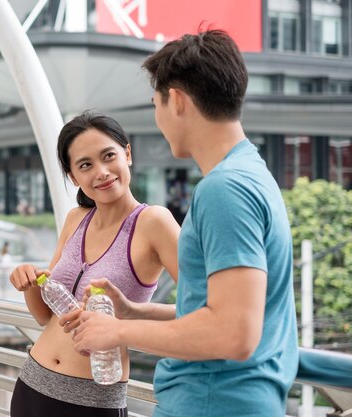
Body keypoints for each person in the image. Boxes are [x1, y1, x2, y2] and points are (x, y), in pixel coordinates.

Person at [67, 29, 299, 417]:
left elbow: (233, 334)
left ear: (175, 100)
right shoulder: (251, 173)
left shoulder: (224, 189)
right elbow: (226, 311)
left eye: (154, 104)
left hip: (212, 402)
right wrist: (136, 313)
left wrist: (118, 332)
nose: (157, 118)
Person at [8, 111, 180, 416]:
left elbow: (205, 308)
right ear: (74, 177)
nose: (101, 172)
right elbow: (44, 317)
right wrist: (30, 281)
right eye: (85, 165)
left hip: (92, 402)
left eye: (108, 156)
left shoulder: (153, 222)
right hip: (33, 385)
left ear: (127, 154)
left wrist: (128, 316)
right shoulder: (76, 219)